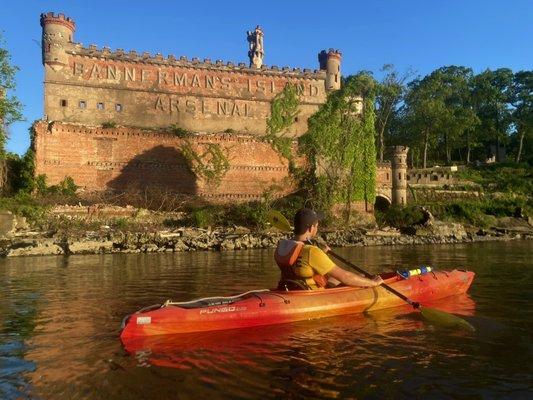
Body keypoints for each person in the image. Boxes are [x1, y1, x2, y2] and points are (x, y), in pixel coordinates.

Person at [275, 208, 384, 290]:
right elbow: (345, 276)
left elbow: (301, 262)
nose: (317, 228)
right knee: (359, 277)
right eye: (316, 226)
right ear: (311, 228)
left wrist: (322, 253)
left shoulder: (282, 246)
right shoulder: (312, 251)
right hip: (309, 294)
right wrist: (373, 283)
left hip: (289, 288)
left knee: (337, 278)